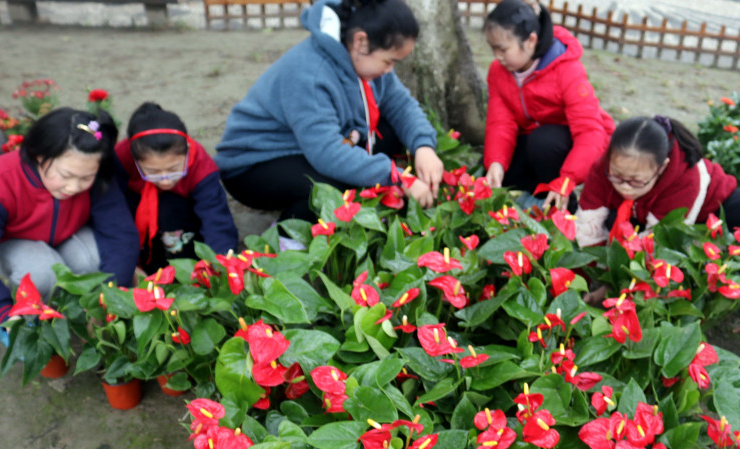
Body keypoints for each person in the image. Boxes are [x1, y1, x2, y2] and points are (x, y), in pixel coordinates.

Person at [215, 0, 444, 225]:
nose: (389, 70)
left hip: (306, 146)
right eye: (388, 61)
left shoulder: (365, 61)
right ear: (361, 42)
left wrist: (423, 147)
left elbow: (401, 104)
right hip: (255, 163)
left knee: (392, 135)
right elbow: (328, 153)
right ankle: (289, 236)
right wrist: (396, 176)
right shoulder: (311, 73)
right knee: (331, 189)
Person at [0, 107, 137, 344]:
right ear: (39, 156)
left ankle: (81, 313)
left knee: (96, 262)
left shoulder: (96, 172)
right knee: (42, 273)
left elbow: (120, 233)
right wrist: (3, 311)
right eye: (65, 175)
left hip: (69, 234)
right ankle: (28, 317)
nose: (74, 187)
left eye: (86, 178)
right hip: (16, 243)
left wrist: (112, 294)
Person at [575, 115, 740, 250]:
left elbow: (660, 244)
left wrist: (611, 287)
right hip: (640, 213)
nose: (624, 186)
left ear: (662, 167)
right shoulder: (604, 167)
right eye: (617, 176)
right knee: (607, 222)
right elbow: (587, 225)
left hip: (704, 210)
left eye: (635, 180)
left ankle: (734, 260)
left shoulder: (685, 176)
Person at [482, 0, 614, 212]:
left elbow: (590, 132)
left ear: (531, 41)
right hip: (530, 136)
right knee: (493, 169)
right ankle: (534, 197)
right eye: (493, 48)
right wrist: (496, 162)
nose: (497, 56)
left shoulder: (567, 70)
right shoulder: (499, 71)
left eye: (503, 49)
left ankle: (561, 202)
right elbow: (500, 122)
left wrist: (567, 178)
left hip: (560, 144)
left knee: (543, 142)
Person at [115, 102, 238, 273]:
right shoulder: (120, 159)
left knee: (170, 211)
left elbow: (216, 221)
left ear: (187, 150)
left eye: (173, 170)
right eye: (153, 171)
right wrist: (127, 265)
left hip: (180, 219)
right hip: (136, 211)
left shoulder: (202, 168)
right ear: (135, 159)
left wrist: (222, 267)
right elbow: (113, 209)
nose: (165, 180)